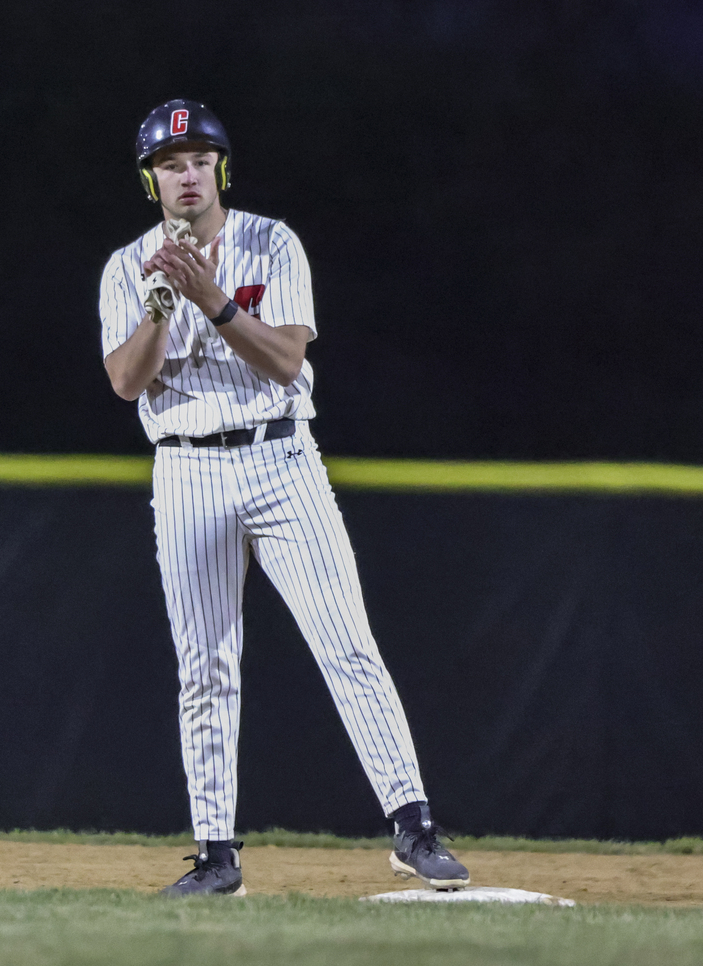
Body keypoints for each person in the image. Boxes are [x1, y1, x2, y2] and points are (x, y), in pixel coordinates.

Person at [99, 98, 468, 897]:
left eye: (199, 159)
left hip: (280, 459)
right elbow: (127, 381)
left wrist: (215, 300)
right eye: (168, 164)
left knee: (347, 643)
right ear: (150, 182)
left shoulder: (273, 241)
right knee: (205, 666)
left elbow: (284, 361)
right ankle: (216, 857)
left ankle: (414, 827)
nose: (185, 174)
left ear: (221, 169)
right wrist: (165, 301)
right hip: (187, 467)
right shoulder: (129, 266)